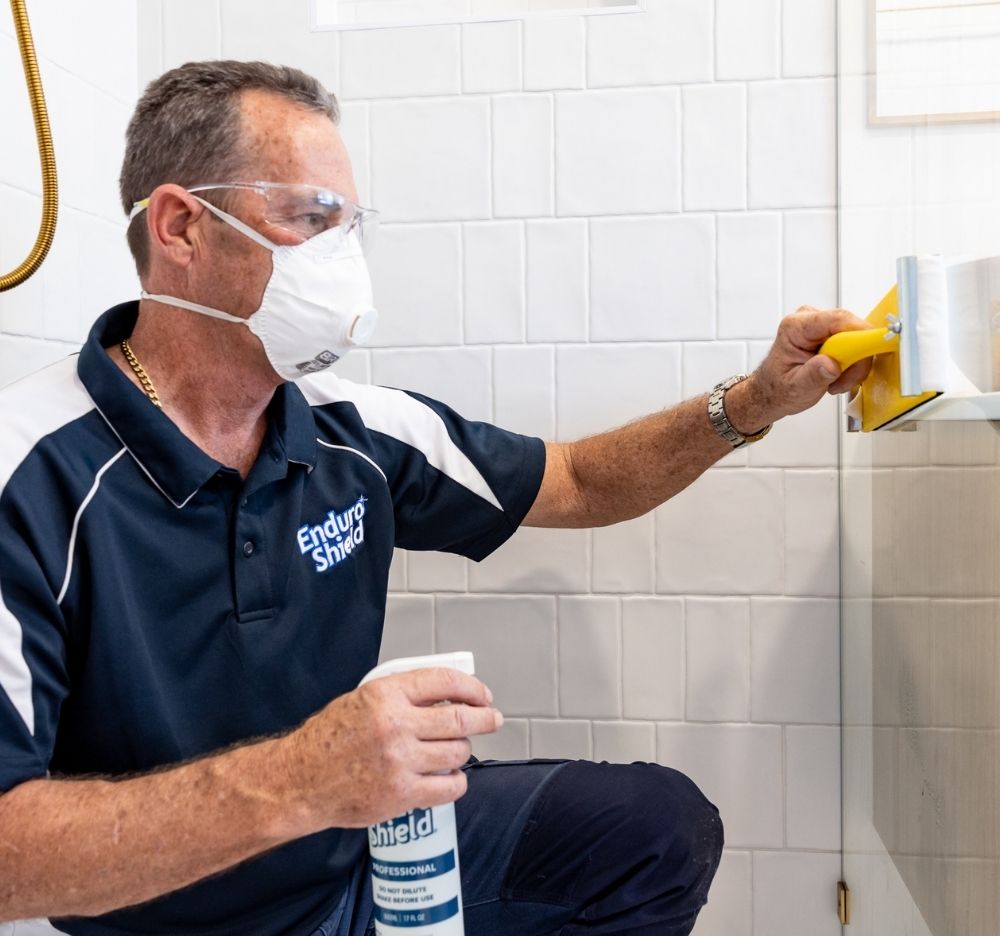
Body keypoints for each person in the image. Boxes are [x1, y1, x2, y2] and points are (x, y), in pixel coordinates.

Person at [0, 61, 869, 936]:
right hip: (175, 920)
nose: (343, 258)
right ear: (183, 226)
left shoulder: (356, 431)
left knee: (652, 831)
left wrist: (754, 402)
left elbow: (576, 479)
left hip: (359, 864)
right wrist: (303, 779)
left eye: (352, 228)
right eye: (311, 219)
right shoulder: (29, 477)